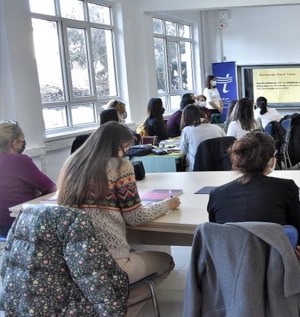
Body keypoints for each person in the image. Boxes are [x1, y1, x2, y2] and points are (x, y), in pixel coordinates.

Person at [57, 122, 180, 286]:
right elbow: (135, 217)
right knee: (166, 262)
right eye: (126, 149)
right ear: (117, 146)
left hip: (73, 261)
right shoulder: (120, 165)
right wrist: (167, 204)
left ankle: (107, 306)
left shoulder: (72, 163)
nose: (125, 155)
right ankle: (122, 309)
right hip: (110, 262)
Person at [206, 132, 300, 261]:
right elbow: (296, 238)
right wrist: (295, 249)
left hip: (230, 273)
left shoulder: (216, 194)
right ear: (271, 160)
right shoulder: (287, 188)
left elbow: (217, 237)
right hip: (276, 273)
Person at [0, 120, 56, 237]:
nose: (23, 143)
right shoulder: (19, 161)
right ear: (15, 144)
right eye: (22, 140)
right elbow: (50, 187)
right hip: (16, 223)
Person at [180, 105, 226, 171]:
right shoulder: (217, 128)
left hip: (197, 169)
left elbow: (183, 151)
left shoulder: (187, 130)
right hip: (219, 168)